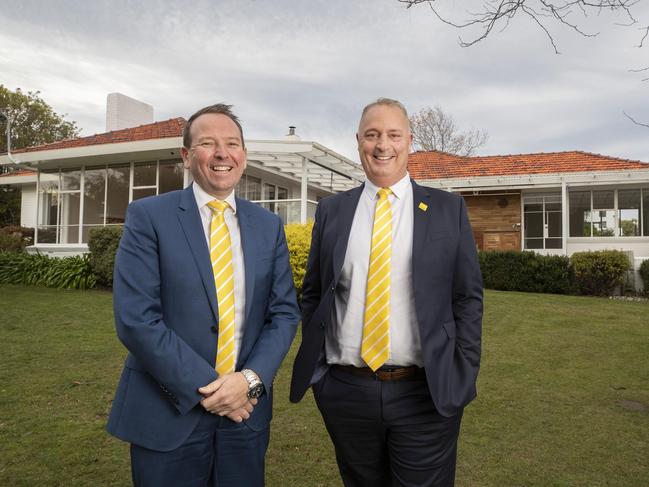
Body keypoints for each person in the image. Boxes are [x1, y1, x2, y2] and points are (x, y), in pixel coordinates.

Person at [290, 98, 483, 487]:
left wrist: (461, 370)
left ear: (409, 141)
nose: (383, 145)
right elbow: (313, 293)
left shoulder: (448, 209)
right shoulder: (332, 211)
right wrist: (322, 376)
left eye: (393, 135)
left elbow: (467, 298)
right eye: (372, 135)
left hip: (425, 392)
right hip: (346, 391)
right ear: (358, 140)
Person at [107, 103, 299, 487]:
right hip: (168, 413)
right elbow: (137, 319)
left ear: (243, 155)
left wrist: (248, 380)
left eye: (232, 143)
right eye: (208, 143)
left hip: (246, 414)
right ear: (186, 156)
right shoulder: (148, 217)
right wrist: (214, 390)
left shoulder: (268, 225)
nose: (222, 153)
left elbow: (283, 314)